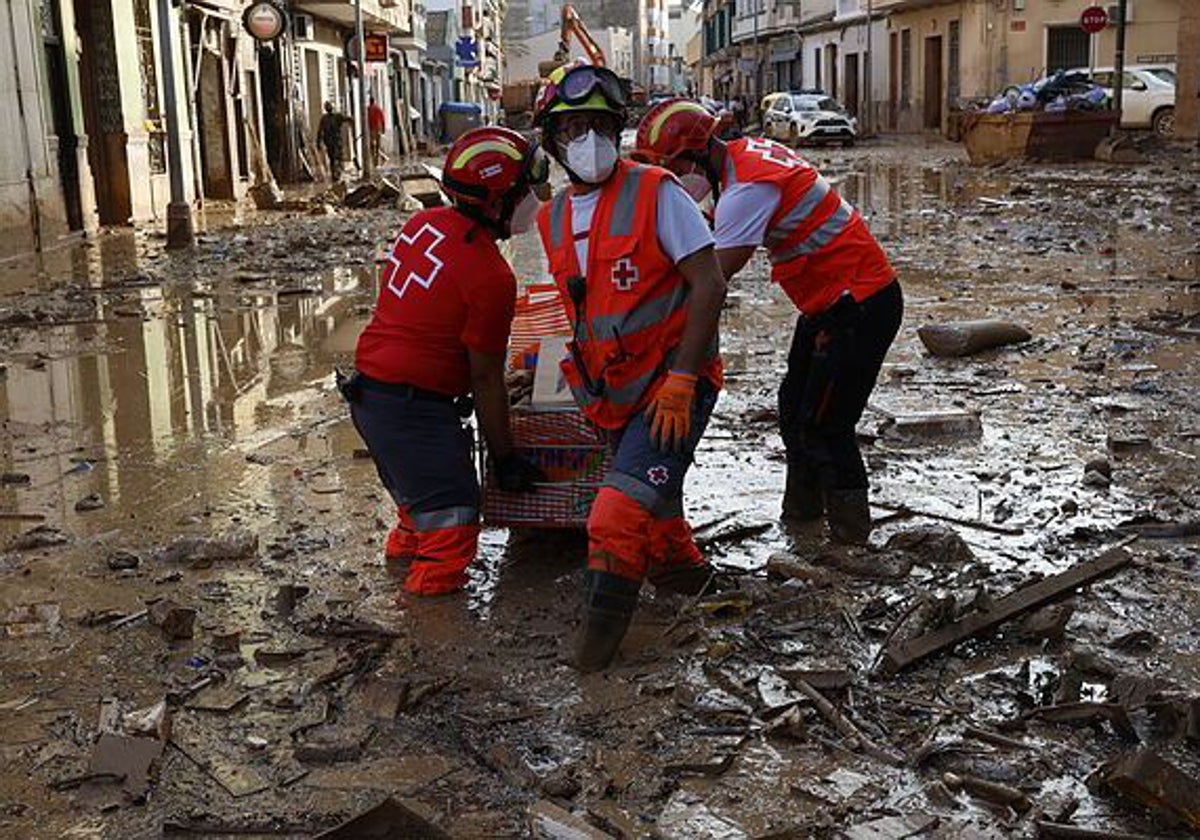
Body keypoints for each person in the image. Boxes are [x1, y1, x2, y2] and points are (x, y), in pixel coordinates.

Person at [632, 99, 903, 544]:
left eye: (672, 168)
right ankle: (802, 522)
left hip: (860, 305)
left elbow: (712, 277)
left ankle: (851, 543)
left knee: (827, 425)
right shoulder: (745, 157)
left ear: (698, 152)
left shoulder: (748, 189)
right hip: (830, 303)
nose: (672, 181)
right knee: (794, 410)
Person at [532, 64, 728, 671]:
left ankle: (591, 670)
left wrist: (683, 380)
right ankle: (689, 586)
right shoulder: (553, 217)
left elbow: (710, 285)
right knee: (655, 502)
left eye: (598, 126)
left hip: (672, 385)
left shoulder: (656, 191)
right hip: (612, 392)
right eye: (572, 129)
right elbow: (581, 311)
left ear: (617, 130)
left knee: (615, 514)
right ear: (552, 142)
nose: (586, 141)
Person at [345, 127, 548, 596]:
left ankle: (398, 577)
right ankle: (429, 634)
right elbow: (485, 378)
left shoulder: (423, 224)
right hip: (414, 411)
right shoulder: (492, 276)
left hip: (372, 400)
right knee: (453, 525)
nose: (536, 200)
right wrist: (506, 458)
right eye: (526, 190)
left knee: (420, 510)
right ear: (497, 201)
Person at [318, 101, 352, 180]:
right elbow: (320, 130)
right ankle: (334, 173)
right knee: (332, 158)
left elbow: (346, 119)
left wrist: (350, 121)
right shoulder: (324, 118)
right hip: (329, 142)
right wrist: (318, 142)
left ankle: (338, 171)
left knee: (338, 157)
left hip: (336, 141)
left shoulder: (337, 116)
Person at [368, 96, 387, 166]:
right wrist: (383, 129)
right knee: (377, 144)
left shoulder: (368, 109)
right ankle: (376, 159)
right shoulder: (378, 109)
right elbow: (383, 120)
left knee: (373, 144)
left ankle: (374, 159)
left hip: (372, 128)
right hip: (377, 128)